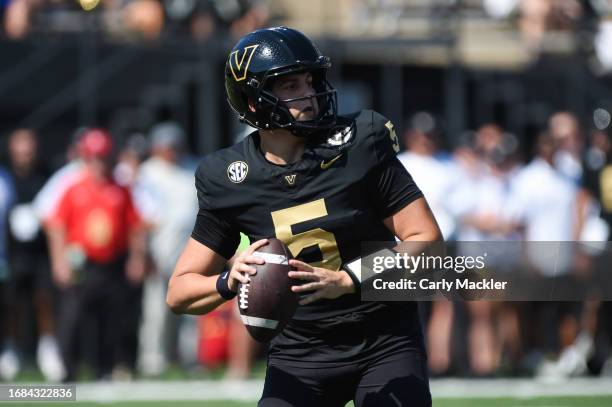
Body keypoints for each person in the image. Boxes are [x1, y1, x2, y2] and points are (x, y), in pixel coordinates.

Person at [167, 26, 441, 406]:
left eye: (310, 81)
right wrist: (231, 279)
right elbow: (179, 291)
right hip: (299, 355)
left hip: (383, 341)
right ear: (253, 101)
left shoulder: (359, 143)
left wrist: (348, 278)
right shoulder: (230, 178)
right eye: (291, 86)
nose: (309, 95)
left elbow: (426, 240)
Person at [46, 128, 146, 381]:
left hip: (112, 263)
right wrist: (59, 261)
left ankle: (105, 368)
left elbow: (135, 226)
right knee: (74, 317)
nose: (98, 163)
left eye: (102, 157)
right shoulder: (73, 188)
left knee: (111, 318)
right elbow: (57, 225)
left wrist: (137, 258)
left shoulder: (120, 189)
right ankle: (67, 369)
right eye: (93, 158)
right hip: (81, 264)